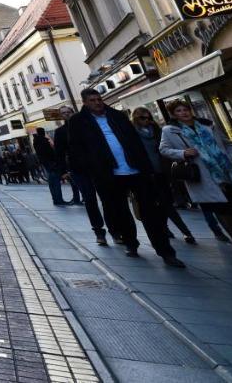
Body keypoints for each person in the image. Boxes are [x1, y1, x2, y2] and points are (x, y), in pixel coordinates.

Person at [68, 88, 183, 267]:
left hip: (135, 170)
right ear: (85, 102)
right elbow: (76, 149)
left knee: (151, 212)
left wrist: (145, 166)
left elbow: (135, 141)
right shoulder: (77, 122)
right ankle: (131, 243)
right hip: (108, 174)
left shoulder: (117, 115)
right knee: (120, 212)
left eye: (99, 99)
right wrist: (92, 168)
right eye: (92, 100)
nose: (97, 103)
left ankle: (166, 251)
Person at [160, 99, 232, 255]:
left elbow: (228, 143)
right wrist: (182, 153)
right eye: (179, 111)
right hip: (205, 178)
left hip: (228, 172)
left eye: (185, 109)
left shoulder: (207, 123)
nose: (183, 113)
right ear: (173, 114)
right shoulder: (170, 130)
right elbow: (164, 149)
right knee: (224, 213)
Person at [130, 107, 196, 245]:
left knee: (166, 203)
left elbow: (165, 149)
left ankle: (177, 230)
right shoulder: (132, 133)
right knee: (162, 204)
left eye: (148, 118)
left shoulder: (157, 130)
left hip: (162, 171)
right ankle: (183, 231)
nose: (147, 120)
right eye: (143, 118)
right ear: (136, 118)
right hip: (146, 173)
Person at [33, 128, 67, 206]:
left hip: (45, 164)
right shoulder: (45, 141)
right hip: (51, 163)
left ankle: (55, 199)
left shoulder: (36, 142)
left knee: (51, 182)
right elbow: (51, 153)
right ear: (43, 132)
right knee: (56, 182)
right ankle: (59, 199)